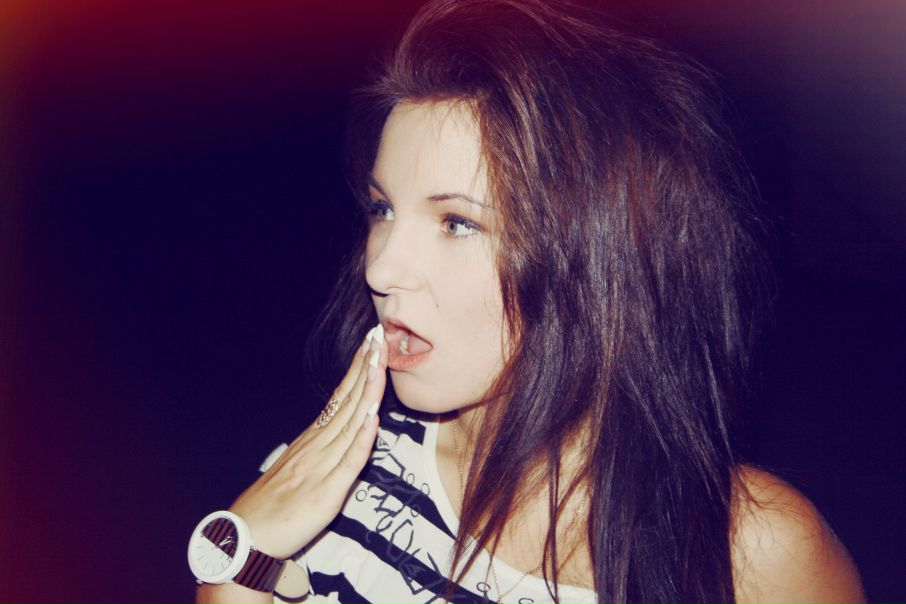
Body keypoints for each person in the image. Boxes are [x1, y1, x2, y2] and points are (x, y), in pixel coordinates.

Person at [190, 0, 865, 602]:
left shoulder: (748, 556)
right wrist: (242, 563)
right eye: (382, 208)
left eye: (457, 222)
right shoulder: (319, 488)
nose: (382, 266)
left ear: (603, 261)